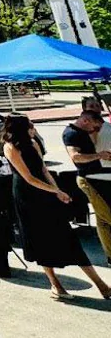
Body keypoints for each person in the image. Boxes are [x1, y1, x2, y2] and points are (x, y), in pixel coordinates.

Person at [2, 114, 111, 301]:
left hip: (46, 190)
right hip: (27, 196)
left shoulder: (33, 143)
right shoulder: (10, 147)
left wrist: (57, 191)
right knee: (40, 240)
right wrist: (55, 191)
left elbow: (44, 170)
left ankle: (102, 286)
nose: (33, 126)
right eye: (30, 124)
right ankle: (55, 284)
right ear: (22, 128)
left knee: (68, 237)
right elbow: (28, 178)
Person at [66, 109, 111, 262]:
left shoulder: (84, 131)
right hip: (88, 180)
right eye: (95, 127)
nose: (95, 130)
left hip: (98, 177)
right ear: (85, 121)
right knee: (107, 216)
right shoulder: (71, 133)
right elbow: (75, 157)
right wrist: (99, 155)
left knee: (102, 219)